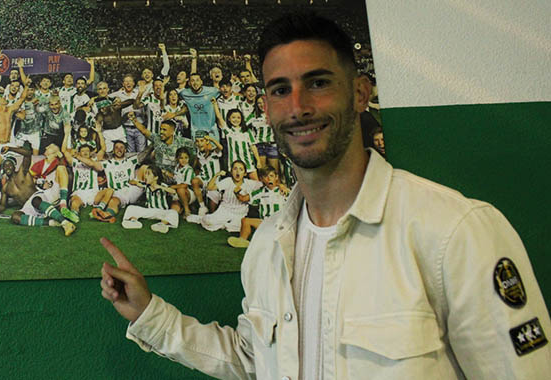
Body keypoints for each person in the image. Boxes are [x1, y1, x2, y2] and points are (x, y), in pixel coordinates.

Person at [99, 12, 551, 380]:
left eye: (317, 83)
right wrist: (151, 314)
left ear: (359, 93)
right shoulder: (266, 247)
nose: (298, 106)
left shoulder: (455, 233)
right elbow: (253, 360)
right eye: (280, 90)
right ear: (267, 108)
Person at [0, 146, 76, 236]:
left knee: (35, 200)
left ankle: (65, 222)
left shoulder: (22, 172)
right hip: (28, 206)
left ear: (14, 166)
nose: (7, 167)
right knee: (15, 217)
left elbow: (28, 153)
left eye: (9, 164)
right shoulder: (6, 187)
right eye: (5, 165)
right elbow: (2, 205)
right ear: (3, 169)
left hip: (40, 197)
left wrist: (11, 149)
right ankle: (52, 222)